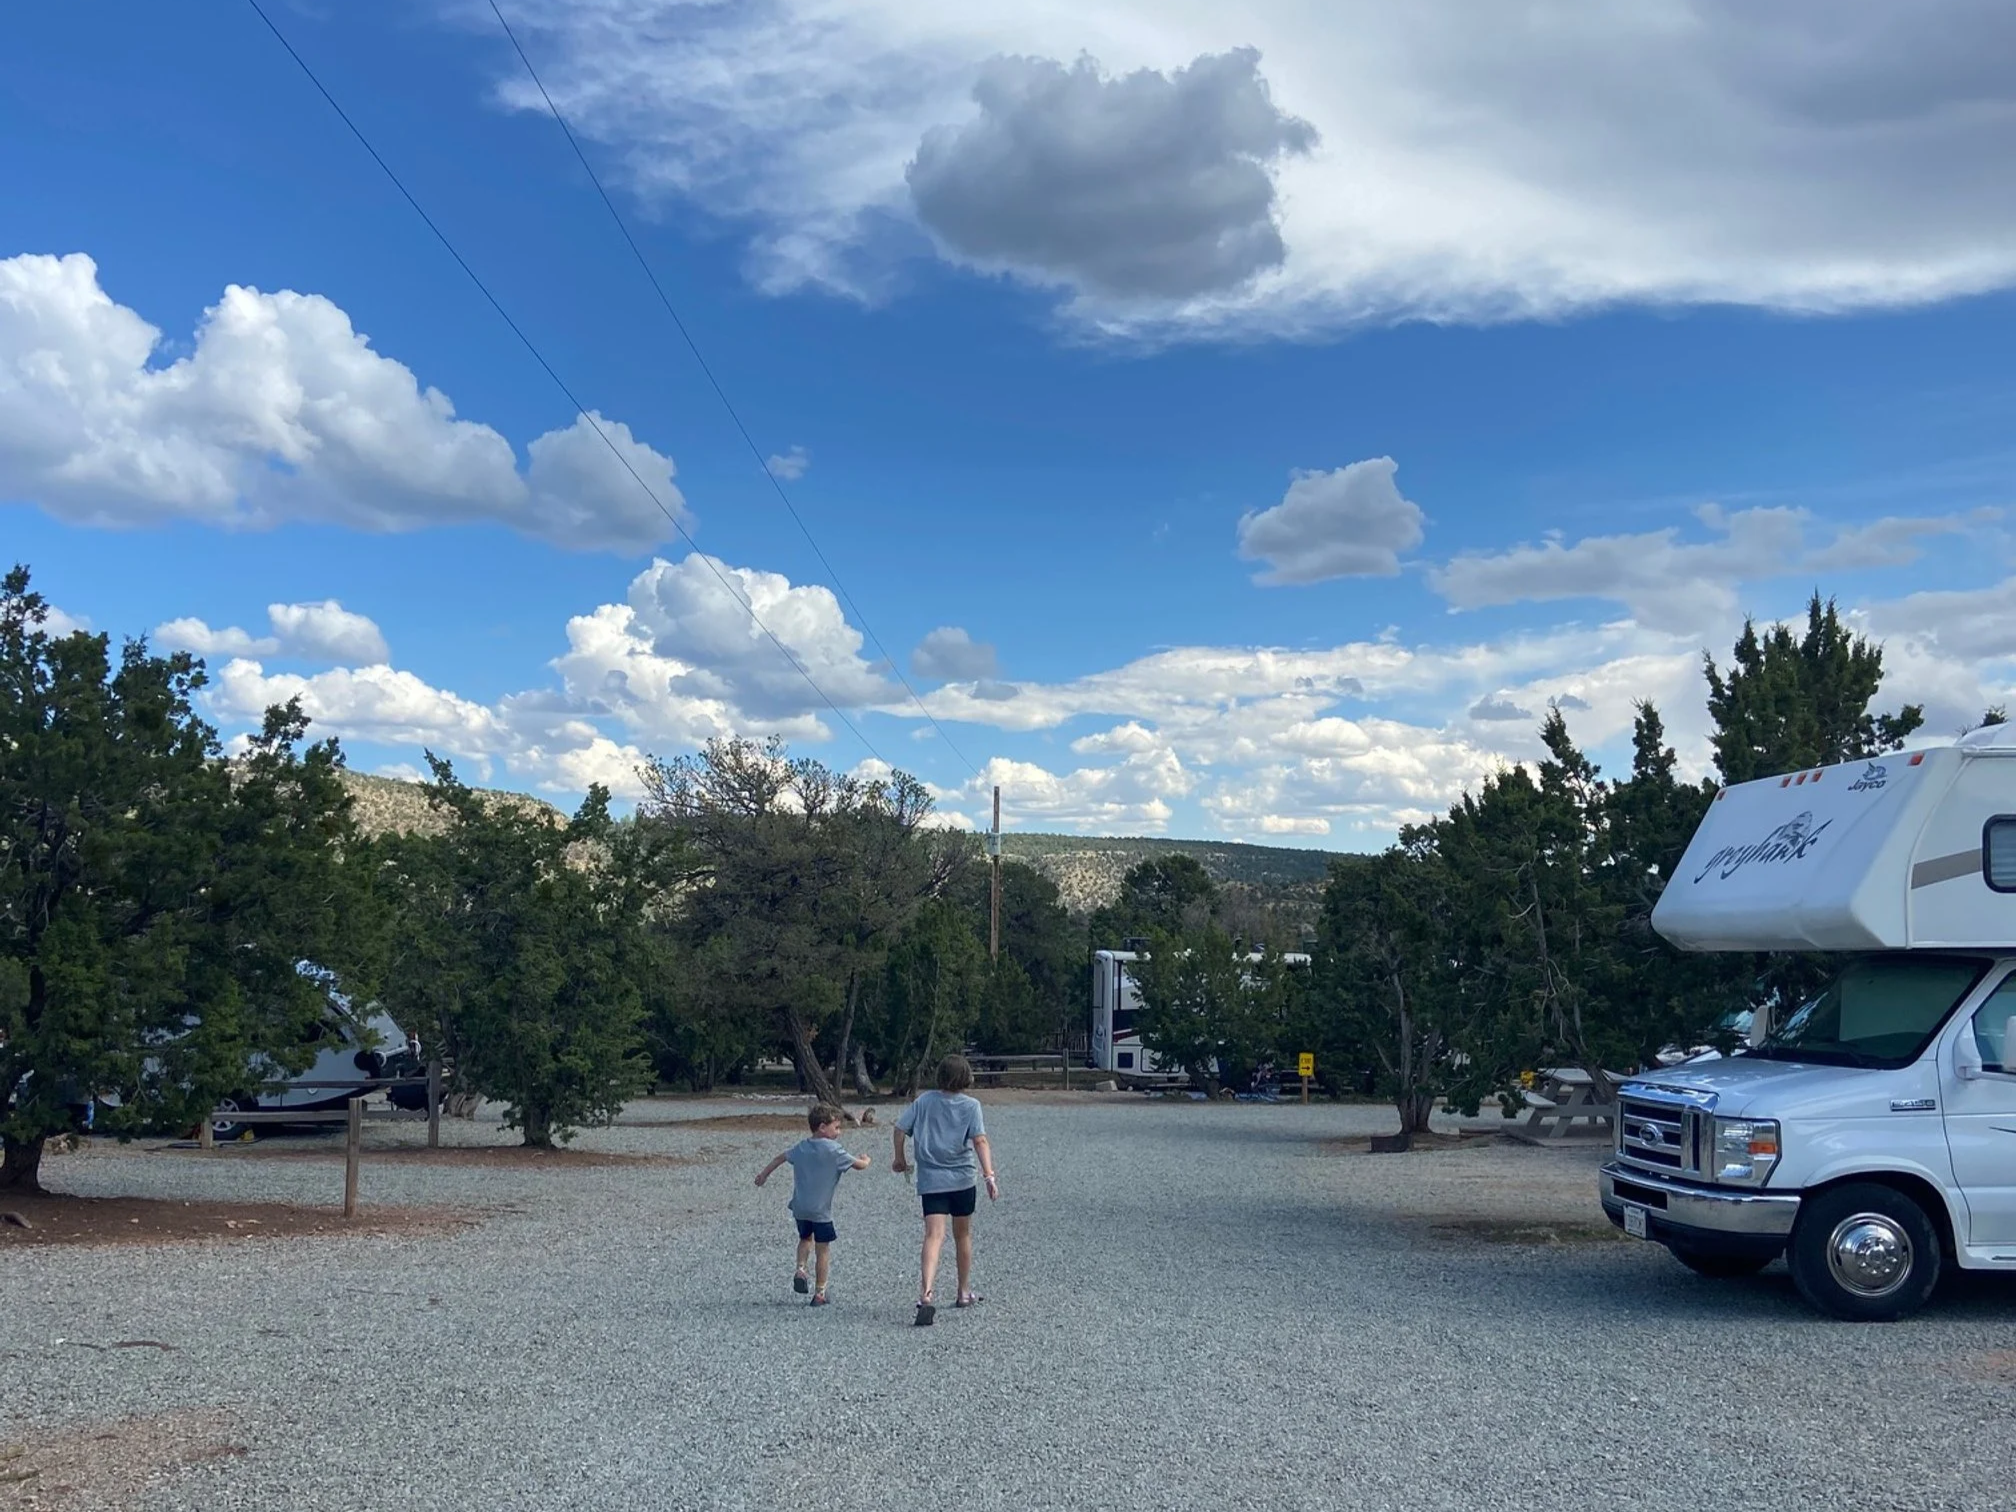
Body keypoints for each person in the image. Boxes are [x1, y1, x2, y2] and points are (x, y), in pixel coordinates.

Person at [891, 1053, 998, 1326]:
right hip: (962, 1179)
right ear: (966, 1077)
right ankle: (963, 1292)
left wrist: (900, 1158)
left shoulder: (924, 1101)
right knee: (962, 1235)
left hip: (931, 1180)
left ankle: (926, 1294)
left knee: (933, 1236)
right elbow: (980, 1141)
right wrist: (989, 1175)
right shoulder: (971, 1106)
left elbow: (900, 1128)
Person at [754, 1103, 870, 1306]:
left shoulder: (802, 1146)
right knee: (822, 1249)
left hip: (800, 1207)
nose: (839, 1132)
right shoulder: (835, 1150)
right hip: (821, 1211)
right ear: (822, 1127)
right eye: (836, 1127)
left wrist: (763, 1175)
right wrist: (865, 1160)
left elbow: (781, 1157)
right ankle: (820, 1293)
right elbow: (859, 1166)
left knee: (805, 1238)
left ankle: (800, 1268)